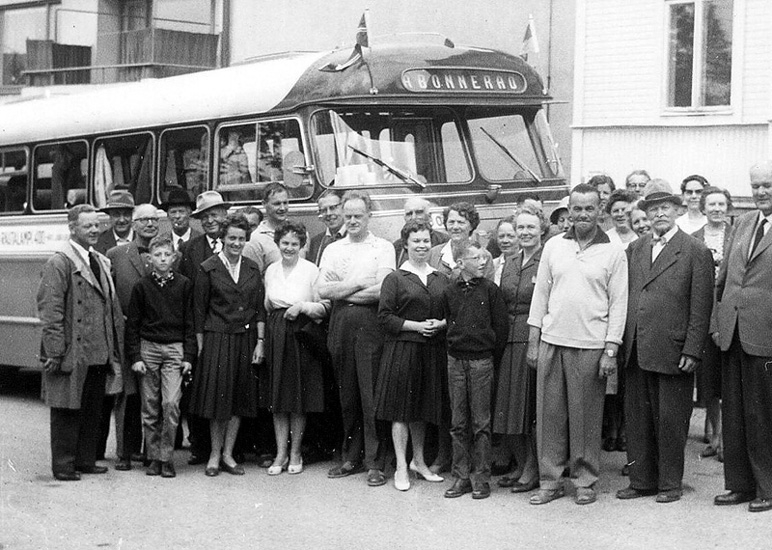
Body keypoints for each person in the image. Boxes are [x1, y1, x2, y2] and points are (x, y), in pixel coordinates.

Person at [527, 183, 628, 506]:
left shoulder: (613, 251)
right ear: (568, 211)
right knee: (550, 416)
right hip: (552, 341)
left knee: (585, 418)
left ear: (600, 210)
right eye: (577, 208)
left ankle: (585, 480)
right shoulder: (554, 245)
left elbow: (619, 303)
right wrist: (533, 342)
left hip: (591, 346)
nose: (582, 214)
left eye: (589, 208)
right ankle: (550, 480)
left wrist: (610, 349)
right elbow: (540, 295)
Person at [616, 179, 714, 504]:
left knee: (670, 420)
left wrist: (692, 349)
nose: (658, 213)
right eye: (652, 208)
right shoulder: (637, 247)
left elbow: (701, 306)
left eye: (664, 207)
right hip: (636, 347)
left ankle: (670, 483)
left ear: (677, 210)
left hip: (673, 349)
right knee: (638, 418)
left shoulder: (695, 250)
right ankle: (641, 480)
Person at [37, 204, 124, 481]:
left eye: (96, 225)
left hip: (98, 350)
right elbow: (50, 311)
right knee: (66, 409)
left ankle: (85, 460)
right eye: (88, 226)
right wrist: (55, 351)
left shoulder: (98, 259)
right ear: (72, 228)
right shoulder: (60, 262)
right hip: (72, 351)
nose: (94, 230)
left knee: (92, 409)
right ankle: (64, 465)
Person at [315, 190, 395, 487]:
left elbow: (383, 291)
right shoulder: (334, 249)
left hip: (371, 327)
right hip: (340, 326)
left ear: (369, 215)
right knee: (346, 394)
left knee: (370, 394)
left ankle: (375, 461)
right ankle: (350, 456)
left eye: (357, 216)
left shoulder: (382, 247)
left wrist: (345, 288)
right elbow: (323, 290)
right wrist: (362, 282)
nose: (351, 221)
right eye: (347, 216)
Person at [713, 161, 772, 513]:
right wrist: (716, 323)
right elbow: (724, 280)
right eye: (756, 186)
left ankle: (767, 486)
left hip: (766, 337)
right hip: (732, 333)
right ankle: (739, 484)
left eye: (768, 185)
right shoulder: (743, 223)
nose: (762, 192)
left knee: (763, 414)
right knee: (734, 413)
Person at [375, 219, 450, 491]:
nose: (422, 245)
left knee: (421, 410)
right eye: (416, 241)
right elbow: (384, 318)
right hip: (403, 350)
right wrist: (418, 326)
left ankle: (419, 461)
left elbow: (449, 314)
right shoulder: (395, 279)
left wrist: (440, 324)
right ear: (405, 245)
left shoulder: (440, 278)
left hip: (431, 350)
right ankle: (400, 466)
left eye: (426, 241)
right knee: (401, 412)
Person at [189, 213, 265, 476]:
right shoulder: (208, 267)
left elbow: (259, 310)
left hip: (245, 339)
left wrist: (261, 343)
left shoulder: (253, 268)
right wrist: (201, 347)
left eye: (241, 239)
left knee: (238, 399)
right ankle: (213, 454)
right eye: (231, 238)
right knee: (217, 401)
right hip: (216, 339)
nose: (236, 243)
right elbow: (198, 312)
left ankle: (228, 454)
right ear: (222, 239)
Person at [441, 241, 508, 500]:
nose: (482, 262)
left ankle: (481, 477)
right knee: (458, 422)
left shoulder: (490, 290)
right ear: (460, 263)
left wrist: (490, 355)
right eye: (475, 258)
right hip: (456, 361)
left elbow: (500, 328)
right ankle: (461, 477)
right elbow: (448, 322)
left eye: (484, 257)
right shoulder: (449, 292)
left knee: (481, 422)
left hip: (482, 362)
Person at [125, 234, 196, 478]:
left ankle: (167, 457)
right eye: (158, 255)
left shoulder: (184, 285)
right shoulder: (142, 287)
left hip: (175, 349)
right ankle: (153, 457)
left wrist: (188, 355)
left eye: (167, 254)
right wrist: (136, 356)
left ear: (174, 257)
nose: (163, 259)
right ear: (149, 259)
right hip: (149, 349)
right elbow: (133, 324)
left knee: (171, 403)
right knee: (150, 406)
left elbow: (190, 322)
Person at [262, 220, 329, 476]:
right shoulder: (271, 270)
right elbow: (267, 304)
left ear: (302, 245)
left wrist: (302, 308)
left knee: (298, 395)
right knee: (278, 396)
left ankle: (296, 452)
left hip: (301, 331)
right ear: (278, 244)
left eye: (294, 243)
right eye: (285, 243)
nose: (289, 248)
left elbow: (323, 306)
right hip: (277, 330)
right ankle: (280, 452)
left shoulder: (311, 270)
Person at [493, 203, 547, 494]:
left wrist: (536, 342)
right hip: (506, 342)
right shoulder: (510, 262)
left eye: (530, 227)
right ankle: (522, 463)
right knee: (508, 408)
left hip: (532, 340)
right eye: (520, 228)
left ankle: (533, 469)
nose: (524, 232)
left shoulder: (546, 260)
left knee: (529, 408)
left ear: (541, 231)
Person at [178, 190, 230, 466]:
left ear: (224, 215)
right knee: (199, 387)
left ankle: (230, 450)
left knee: (227, 387)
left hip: (228, 326)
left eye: (215, 214)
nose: (210, 220)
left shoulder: (234, 241)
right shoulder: (191, 249)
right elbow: (186, 292)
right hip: (201, 327)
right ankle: (200, 445)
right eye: (205, 216)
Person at [692, 186, 734, 461]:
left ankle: (730, 440)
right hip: (704, 311)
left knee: (730, 380)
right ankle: (715, 435)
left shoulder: (738, 235)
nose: (717, 209)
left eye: (721, 204)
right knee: (709, 382)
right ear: (703, 208)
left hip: (730, 311)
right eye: (712, 204)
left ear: (728, 208)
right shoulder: (694, 239)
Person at [242, 182, 288, 273]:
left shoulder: (299, 232)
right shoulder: (255, 240)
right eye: (277, 204)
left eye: (285, 203)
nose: (282, 208)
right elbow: (252, 279)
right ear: (264, 204)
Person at [392, 198, 449, 266]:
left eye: (419, 212)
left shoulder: (444, 241)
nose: (413, 217)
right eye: (409, 214)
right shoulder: (398, 246)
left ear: (429, 216)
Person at [308, 190, 345, 266]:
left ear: (343, 207)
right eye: (324, 210)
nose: (329, 213)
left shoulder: (354, 237)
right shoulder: (315, 242)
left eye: (333, 208)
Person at [95, 190, 135, 254]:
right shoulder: (98, 242)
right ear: (110, 217)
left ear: (132, 216)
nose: (122, 220)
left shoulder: (142, 239)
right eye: (116, 215)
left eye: (126, 214)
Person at [491, 215, 518, 285]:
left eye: (510, 236)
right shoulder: (492, 265)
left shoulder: (526, 263)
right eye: (501, 236)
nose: (505, 241)